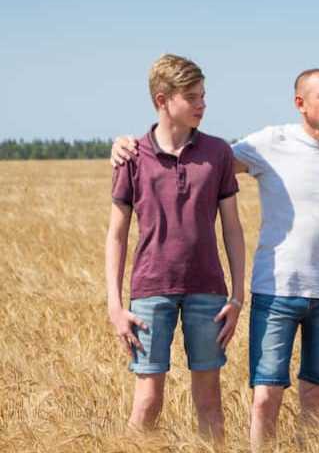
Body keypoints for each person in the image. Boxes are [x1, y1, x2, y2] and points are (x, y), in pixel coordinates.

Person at [110, 68, 319, 450]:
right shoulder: (270, 142)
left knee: (315, 399)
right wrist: (126, 144)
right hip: (276, 290)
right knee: (265, 398)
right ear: (300, 104)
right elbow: (199, 157)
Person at [104, 53, 245, 444]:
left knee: (210, 400)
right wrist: (115, 307)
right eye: (192, 97)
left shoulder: (218, 153)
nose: (202, 104)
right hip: (150, 291)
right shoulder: (132, 157)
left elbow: (232, 228)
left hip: (208, 293)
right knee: (147, 401)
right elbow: (116, 235)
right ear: (162, 100)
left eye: (203, 95)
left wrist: (237, 296)